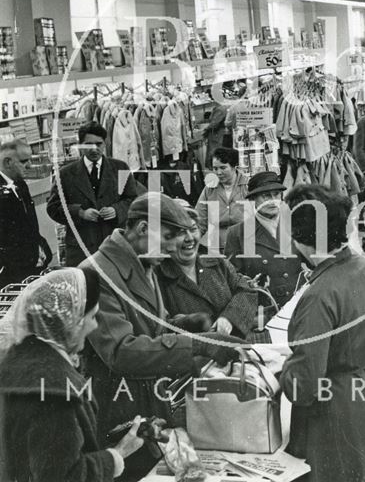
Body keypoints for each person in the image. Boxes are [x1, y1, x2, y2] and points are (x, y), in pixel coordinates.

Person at [80, 192, 242, 468]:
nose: (170, 250)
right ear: (143, 228)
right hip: (115, 409)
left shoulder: (143, 260)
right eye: (166, 239)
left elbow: (153, 329)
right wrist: (197, 344)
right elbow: (121, 351)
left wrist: (188, 324)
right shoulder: (97, 274)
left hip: (148, 404)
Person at [279, 184, 365, 482]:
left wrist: (282, 371)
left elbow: (304, 385)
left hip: (335, 410)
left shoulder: (320, 294)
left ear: (299, 237)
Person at [0, 268, 144, 482]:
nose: (95, 325)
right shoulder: (54, 389)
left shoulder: (19, 362)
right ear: (70, 320)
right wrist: (117, 455)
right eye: (92, 316)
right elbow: (64, 476)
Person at [155, 202, 257, 339]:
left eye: (193, 229)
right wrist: (192, 323)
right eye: (180, 232)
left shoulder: (214, 261)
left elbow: (246, 289)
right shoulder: (157, 275)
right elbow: (159, 327)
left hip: (236, 348)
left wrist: (229, 319)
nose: (189, 238)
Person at [47, 121, 139, 266]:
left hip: (115, 245)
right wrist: (80, 213)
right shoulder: (65, 174)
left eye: (99, 144)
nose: (94, 149)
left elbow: (133, 200)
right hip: (81, 248)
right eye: (89, 144)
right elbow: (53, 207)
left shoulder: (120, 168)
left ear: (105, 143)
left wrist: (116, 210)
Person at [225, 171, 304, 317]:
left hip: (299, 308)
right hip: (265, 312)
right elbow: (232, 279)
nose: (272, 200)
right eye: (266, 196)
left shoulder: (298, 226)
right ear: (254, 199)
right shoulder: (237, 233)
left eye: (276, 195)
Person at [0, 139, 51, 287]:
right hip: (10, 271)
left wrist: (40, 247)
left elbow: (29, 223)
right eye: (23, 161)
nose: (29, 165)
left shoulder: (20, 183)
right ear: (8, 162)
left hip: (31, 263)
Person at [196, 147, 247, 253]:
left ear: (234, 167)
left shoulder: (247, 186)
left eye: (223, 168)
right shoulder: (209, 189)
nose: (218, 172)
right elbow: (200, 219)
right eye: (215, 168)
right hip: (217, 246)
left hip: (244, 244)